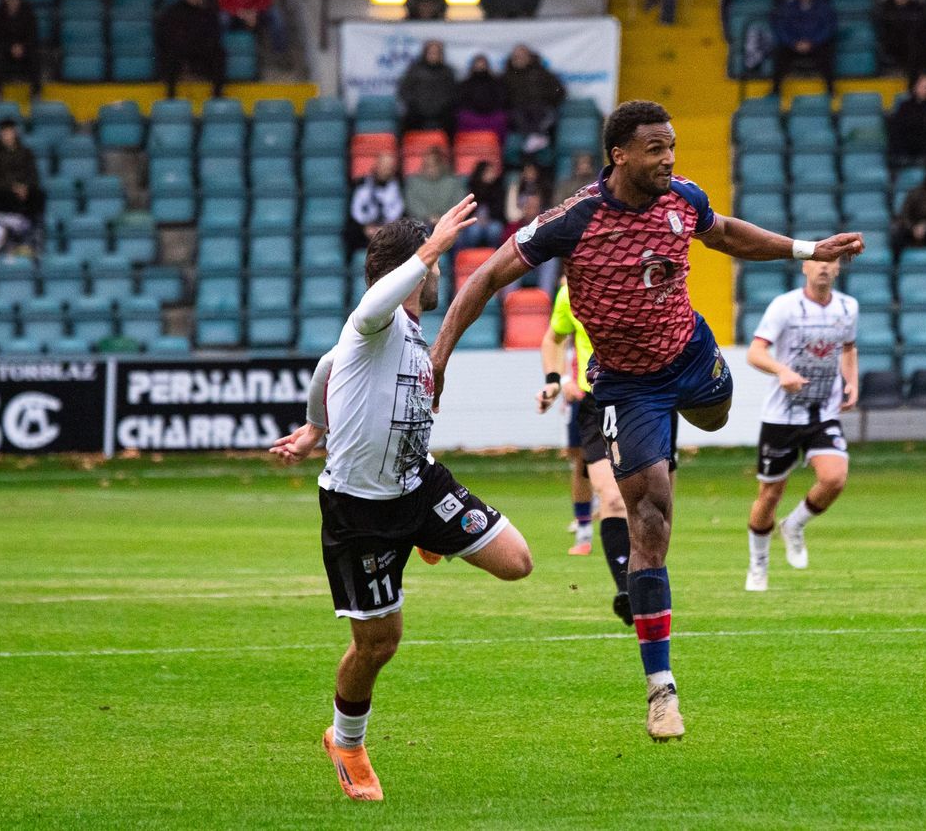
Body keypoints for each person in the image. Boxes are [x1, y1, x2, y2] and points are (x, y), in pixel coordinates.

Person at [430, 100, 863, 741]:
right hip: (627, 388)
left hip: (692, 359)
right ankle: (661, 691)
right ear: (620, 154)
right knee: (651, 515)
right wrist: (438, 362)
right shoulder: (574, 220)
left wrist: (806, 247)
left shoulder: (682, 200)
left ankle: (676, 433)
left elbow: (725, 235)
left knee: (715, 415)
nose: (669, 158)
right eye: (656, 148)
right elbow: (485, 278)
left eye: (673, 145)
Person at [268, 201, 531, 804]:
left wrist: (313, 427)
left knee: (517, 560)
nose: (439, 276)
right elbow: (361, 318)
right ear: (413, 269)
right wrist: (430, 248)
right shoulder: (376, 320)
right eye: (435, 267)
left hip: (419, 486)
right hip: (359, 511)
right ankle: (348, 742)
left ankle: (427, 535)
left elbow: (327, 367)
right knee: (379, 645)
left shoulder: (405, 337)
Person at [744, 256, 857, 592]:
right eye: (815, 261)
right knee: (770, 494)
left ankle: (794, 526)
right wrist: (782, 371)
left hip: (823, 412)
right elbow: (755, 352)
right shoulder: (785, 307)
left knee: (834, 477)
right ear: (804, 268)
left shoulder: (848, 307)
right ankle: (758, 564)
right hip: (782, 415)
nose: (823, 266)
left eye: (830, 261)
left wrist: (851, 383)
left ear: (837, 268)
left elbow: (849, 348)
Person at [537, 284, 635, 609]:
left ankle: (646, 576)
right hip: (595, 405)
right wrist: (555, 381)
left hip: (641, 401)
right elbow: (553, 337)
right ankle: (627, 589)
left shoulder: (643, 284)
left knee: (653, 504)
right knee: (612, 496)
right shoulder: (570, 293)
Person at [156, 0, 226, 98]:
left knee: (219, 54)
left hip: (202, 51)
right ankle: (170, 95)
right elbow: (164, 32)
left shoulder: (208, 12)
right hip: (181, 49)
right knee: (169, 55)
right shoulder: (175, 11)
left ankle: (217, 94)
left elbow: (215, 34)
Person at [771, 0, 836, 96]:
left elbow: (828, 27)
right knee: (779, 52)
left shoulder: (823, 7)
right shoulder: (787, 8)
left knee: (828, 51)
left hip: (816, 45)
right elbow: (781, 28)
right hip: (794, 45)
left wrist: (813, 42)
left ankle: (831, 91)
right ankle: (775, 91)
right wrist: (793, 42)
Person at [502, 45, 566, 155]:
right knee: (517, 115)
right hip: (519, 110)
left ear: (529, 57)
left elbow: (559, 90)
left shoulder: (542, 73)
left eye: (521, 56)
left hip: (541, 108)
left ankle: (535, 139)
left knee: (546, 114)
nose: (519, 59)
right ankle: (535, 137)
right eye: (516, 57)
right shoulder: (507, 76)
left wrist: (547, 101)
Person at [0, 119, 44, 221]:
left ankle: (34, 229)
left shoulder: (26, 153)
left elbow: (33, 174)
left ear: (15, 133)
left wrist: (24, 187)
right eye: (4, 133)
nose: (7, 135)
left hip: (25, 189)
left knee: (38, 195)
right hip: (5, 190)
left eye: (10, 132)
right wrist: (13, 187)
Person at [0, 0, 41, 98]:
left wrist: (22, 47)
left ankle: (36, 92)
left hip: (25, 48)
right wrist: (10, 47)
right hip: (5, 49)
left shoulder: (28, 11)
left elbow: (33, 35)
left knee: (35, 57)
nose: (13, 1)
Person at [397, 41, 459, 134]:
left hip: (441, 111)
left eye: (436, 53)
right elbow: (404, 90)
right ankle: (400, 148)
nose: (433, 55)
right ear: (425, 53)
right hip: (418, 110)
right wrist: (413, 104)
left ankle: (450, 148)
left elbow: (453, 92)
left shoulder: (448, 71)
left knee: (452, 121)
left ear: (441, 54)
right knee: (404, 122)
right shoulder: (414, 70)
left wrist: (444, 105)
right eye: (431, 53)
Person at [347, 152, 404, 251]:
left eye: (389, 167)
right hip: (364, 229)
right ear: (376, 166)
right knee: (351, 232)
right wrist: (365, 226)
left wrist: (385, 227)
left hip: (389, 229)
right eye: (383, 166)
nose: (385, 170)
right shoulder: (361, 184)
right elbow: (356, 209)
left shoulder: (398, 186)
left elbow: (398, 210)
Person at [886, 73, 926, 167]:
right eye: (923, 86)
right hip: (905, 151)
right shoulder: (904, 107)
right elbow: (897, 130)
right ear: (915, 87)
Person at [875, 0, 926, 82]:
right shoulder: (887, 8)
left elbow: (922, 29)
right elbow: (883, 31)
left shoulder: (915, 8)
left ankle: (917, 77)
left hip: (911, 46)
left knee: (917, 44)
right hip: (893, 45)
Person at [403, 147, 467, 226]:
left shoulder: (454, 181)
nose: (431, 169)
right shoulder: (413, 182)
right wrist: (428, 217)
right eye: (428, 165)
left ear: (442, 165)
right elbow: (412, 204)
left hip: (450, 222)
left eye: (434, 165)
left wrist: (443, 217)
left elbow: (459, 202)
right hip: (421, 222)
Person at [455, 54, 509, 139]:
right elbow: (462, 101)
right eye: (478, 64)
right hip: (472, 115)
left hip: (492, 114)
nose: (480, 67)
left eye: (483, 64)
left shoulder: (496, 83)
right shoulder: (465, 83)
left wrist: (489, 109)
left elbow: (501, 99)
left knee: (501, 118)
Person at [464, 156, 507, 248]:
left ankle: (494, 254)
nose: (492, 174)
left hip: (492, 220)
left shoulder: (499, 188)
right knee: (473, 231)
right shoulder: (472, 187)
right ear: (481, 173)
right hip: (475, 220)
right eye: (488, 172)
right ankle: (472, 256)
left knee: (495, 230)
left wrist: (488, 219)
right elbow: (468, 209)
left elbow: (500, 210)